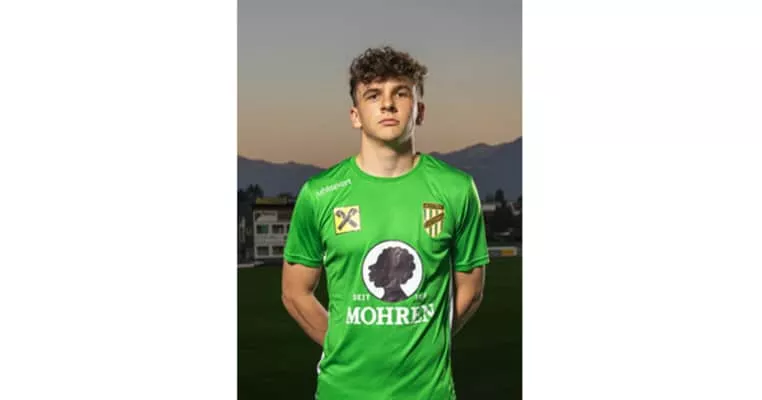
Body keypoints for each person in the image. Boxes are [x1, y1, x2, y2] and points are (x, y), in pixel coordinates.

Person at [281, 45, 489, 400]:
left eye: (401, 93)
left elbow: (471, 289)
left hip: (429, 393)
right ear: (355, 115)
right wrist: (345, 343)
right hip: (342, 392)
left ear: (419, 111)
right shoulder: (319, 194)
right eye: (373, 95)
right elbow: (295, 292)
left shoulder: (456, 189)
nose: (388, 104)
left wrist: (426, 340)